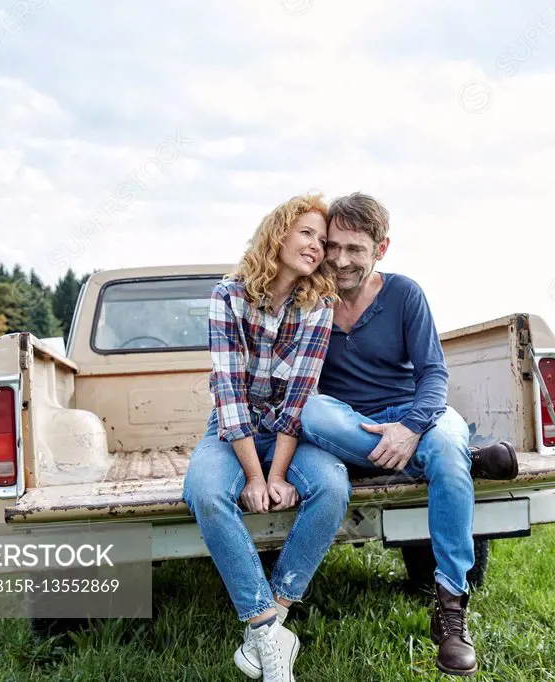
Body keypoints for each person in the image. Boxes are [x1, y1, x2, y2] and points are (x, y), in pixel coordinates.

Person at [299, 192, 518, 677]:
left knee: (443, 441)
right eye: (334, 247)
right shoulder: (309, 296)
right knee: (311, 413)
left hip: (413, 412)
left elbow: (433, 375)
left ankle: (451, 612)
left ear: (382, 247)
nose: (341, 260)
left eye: (355, 249)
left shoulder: (404, 294)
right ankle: (461, 460)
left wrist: (412, 426)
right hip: (348, 424)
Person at [182, 193, 351, 682]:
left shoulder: (319, 304)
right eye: (306, 234)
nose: (317, 248)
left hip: (288, 432)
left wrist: (278, 472)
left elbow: (301, 394)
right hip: (231, 429)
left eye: (322, 241)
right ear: (278, 234)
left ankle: (273, 618)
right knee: (206, 493)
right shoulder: (227, 295)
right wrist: (255, 478)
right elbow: (229, 390)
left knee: (333, 486)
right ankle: (265, 628)